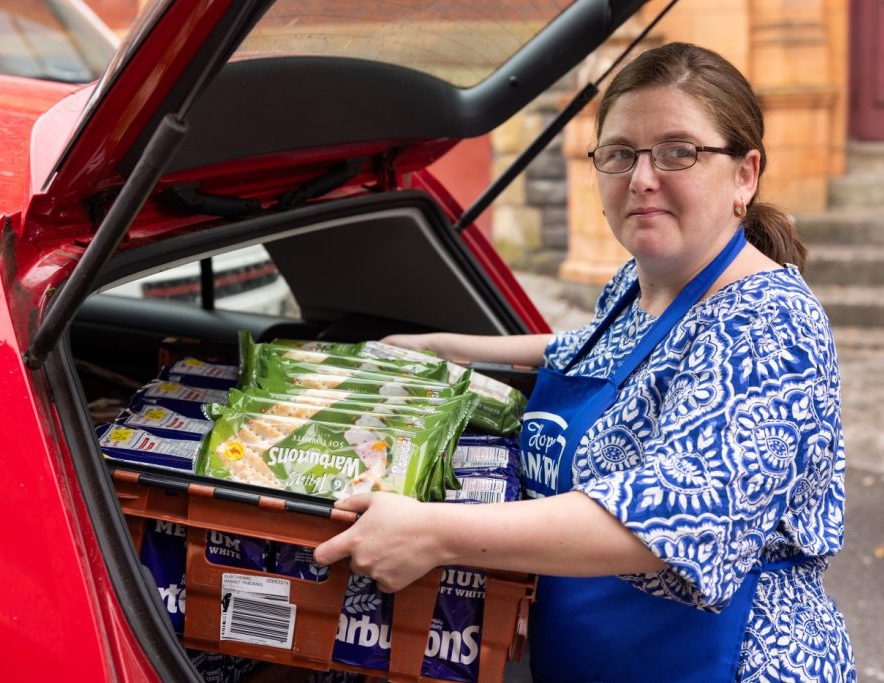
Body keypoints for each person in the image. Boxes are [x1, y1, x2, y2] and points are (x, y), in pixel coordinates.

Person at [315, 42, 855, 682]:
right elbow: (588, 351)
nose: (642, 178)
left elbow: (675, 515)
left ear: (745, 174)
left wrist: (435, 532)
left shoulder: (770, 323)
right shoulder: (642, 281)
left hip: (723, 661)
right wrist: (439, 348)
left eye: (678, 151)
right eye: (620, 153)